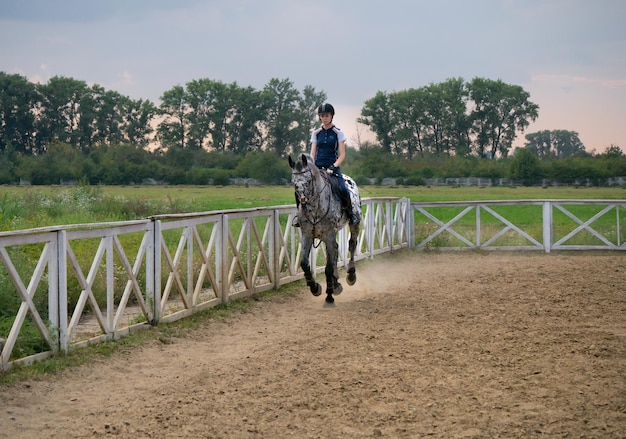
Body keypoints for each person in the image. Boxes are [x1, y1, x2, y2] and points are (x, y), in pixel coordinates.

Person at [293, 103, 359, 227]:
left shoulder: (338, 132)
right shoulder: (316, 133)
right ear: (320, 117)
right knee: (301, 189)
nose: (324, 118)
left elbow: (342, 155)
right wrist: (311, 167)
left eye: (326, 115)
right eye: (322, 116)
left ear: (331, 116)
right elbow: (312, 154)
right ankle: (300, 216)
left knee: (343, 189)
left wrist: (333, 166)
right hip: (317, 168)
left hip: (332, 168)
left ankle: (351, 214)